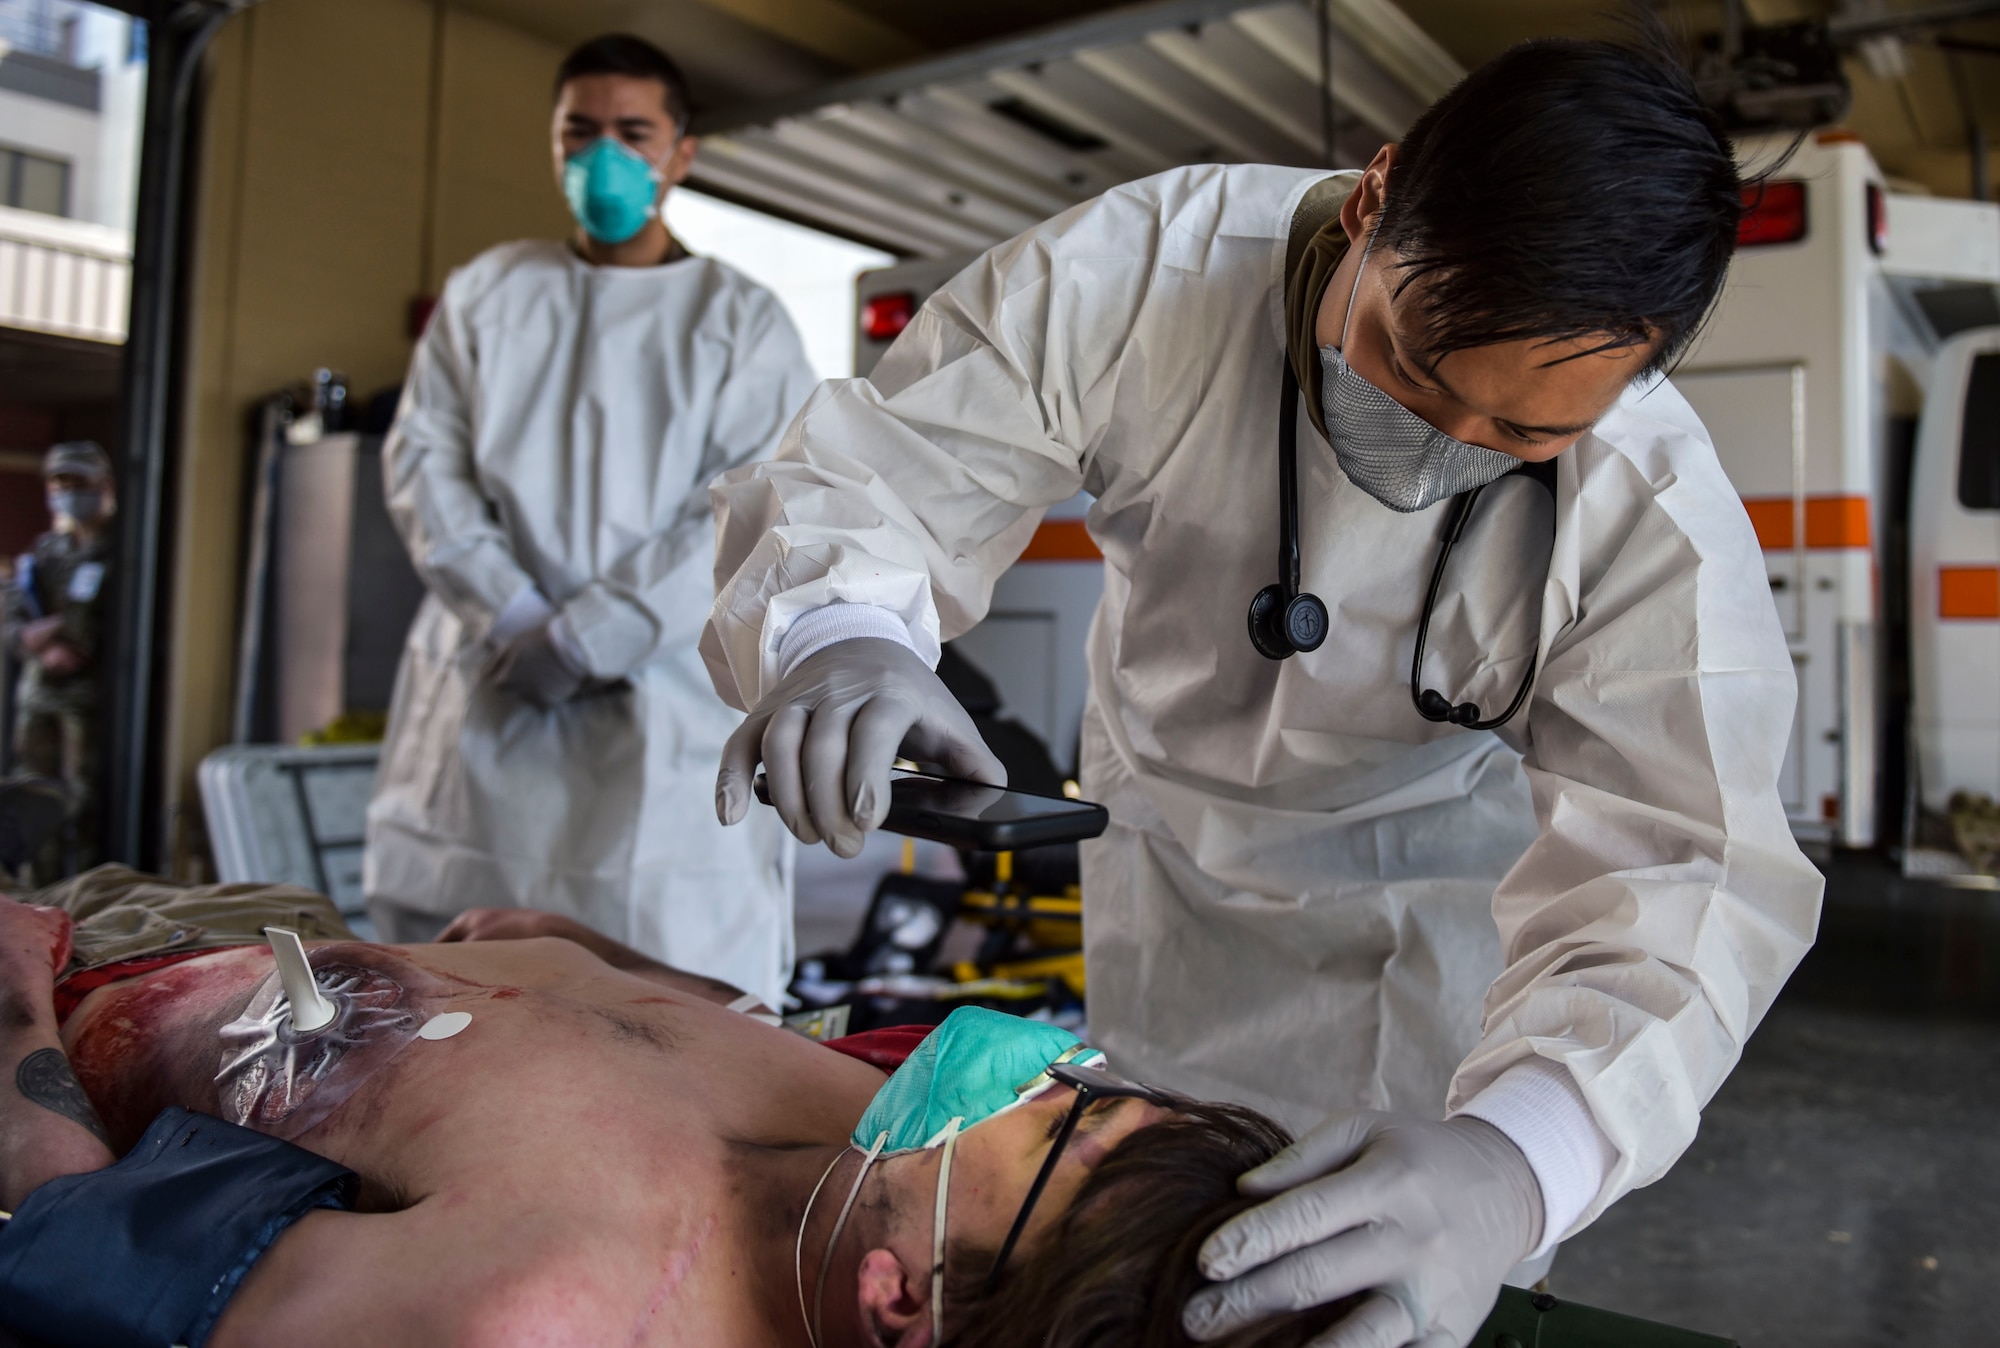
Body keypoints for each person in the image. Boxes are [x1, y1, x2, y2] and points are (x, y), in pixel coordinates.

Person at [702, 27, 1824, 1348]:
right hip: (1167, 880)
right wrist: (843, 630)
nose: (1433, 456)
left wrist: (1513, 1167)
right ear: (1373, 200)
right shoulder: (1147, 272)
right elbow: (889, 463)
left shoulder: (1649, 509)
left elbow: (1692, 876)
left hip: (1429, 958)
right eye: (1411, 371)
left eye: (1520, 438)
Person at [0, 873, 1368, 1348]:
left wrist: (11, 993)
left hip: (64, 1000)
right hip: (263, 934)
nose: (1053, 1071)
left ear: (905, 1307)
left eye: (1067, 1126)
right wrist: (593, 966)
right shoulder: (877, 1149)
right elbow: (750, 1026)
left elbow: (67, 1239)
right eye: (1109, 1091)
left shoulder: (546, 1307)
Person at [364, 33, 818, 1007]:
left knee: (662, 1010)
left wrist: (590, 631)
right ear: (553, 142)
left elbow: (749, 501)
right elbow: (424, 458)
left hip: (662, 718)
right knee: (455, 1004)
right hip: (491, 697)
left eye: (631, 132)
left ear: (680, 152)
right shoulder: (490, 291)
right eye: (579, 133)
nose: (601, 158)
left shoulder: (741, 321)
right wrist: (512, 612)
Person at [4, 442, 115, 885]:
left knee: (83, 801)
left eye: (79, 483)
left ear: (104, 485)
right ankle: (35, 890)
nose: (69, 492)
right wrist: (32, 641)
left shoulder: (122, 551)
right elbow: (12, 609)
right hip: (40, 691)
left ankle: (81, 894)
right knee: (32, 794)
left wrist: (66, 635)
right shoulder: (47, 549)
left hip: (89, 698)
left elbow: (108, 622)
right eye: (60, 483)